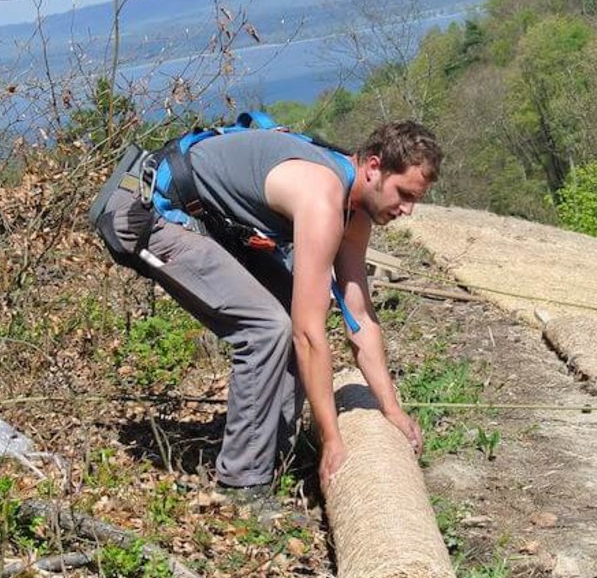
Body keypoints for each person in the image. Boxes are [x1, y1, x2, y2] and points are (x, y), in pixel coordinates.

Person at [91, 118, 442, 496]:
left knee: (286, 317)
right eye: (404, 194)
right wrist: (331, 437)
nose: (408, 210)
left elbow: (359, 317)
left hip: (206, 220)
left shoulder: (353, 211)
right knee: (267, 327)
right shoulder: (323, 198)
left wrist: (391, 408)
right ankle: (243, 484)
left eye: (415, 200)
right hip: (146, 212)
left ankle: (272, 456)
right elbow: (309, 335)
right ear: (374, 167)